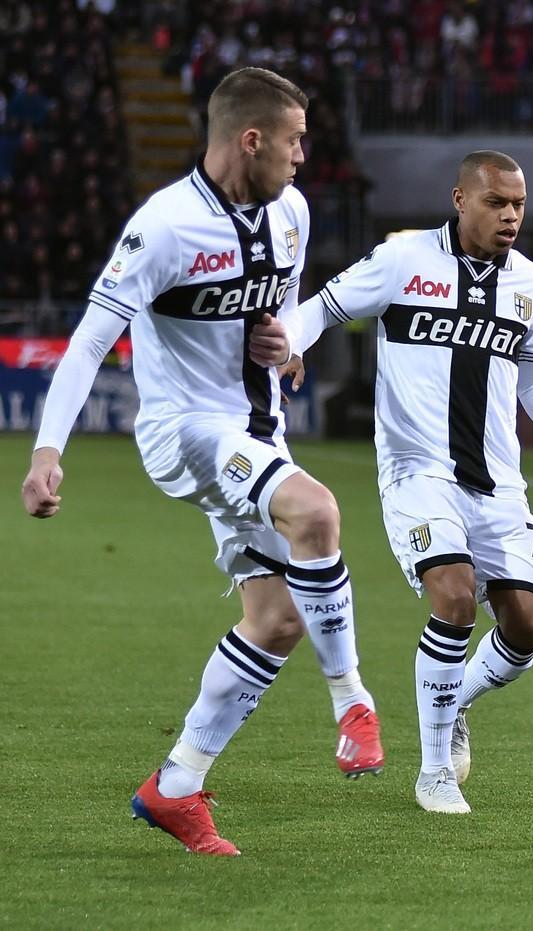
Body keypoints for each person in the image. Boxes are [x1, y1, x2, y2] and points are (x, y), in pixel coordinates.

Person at [19, 67, 383, 857]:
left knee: (279, 620)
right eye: (293, 141)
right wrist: (48, 452)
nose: (302, 157)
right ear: (250, 139)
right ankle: (353, 700)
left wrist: (281, 340)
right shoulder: (166, 226)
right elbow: (89, 338)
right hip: (185, 431)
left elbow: (273, 314)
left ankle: (176, 786)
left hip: (257, 432)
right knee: (317, 510)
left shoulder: (292, 212)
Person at [282, 150, 533, 815]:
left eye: (518, 204)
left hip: (496, 481)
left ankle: (452, 698)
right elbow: (324, 306)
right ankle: (434, 771)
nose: (510, 216)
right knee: (455, 597)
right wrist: (293, 342)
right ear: (461, 199)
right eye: (496, 202)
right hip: (416, 471)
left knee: (526, 626)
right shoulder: (405, 260)